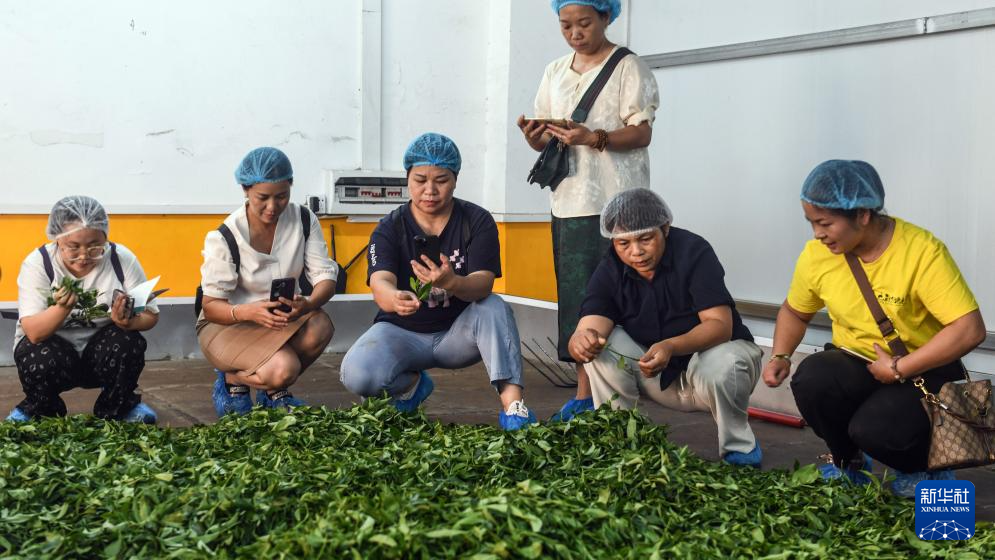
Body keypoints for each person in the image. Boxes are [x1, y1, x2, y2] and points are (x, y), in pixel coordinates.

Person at [762, 160, 986, 496]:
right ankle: (848, 463)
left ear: (863, 215)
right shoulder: (817, 255)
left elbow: (969, 329)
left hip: (924, 369)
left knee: (875, 429)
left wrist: (899, 368)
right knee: (813, 379)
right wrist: (780, 355)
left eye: (825, 223)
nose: (817, 234)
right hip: (858, 361)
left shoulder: (921, 252)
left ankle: (925, 469)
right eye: (812, 223)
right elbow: (795, 312)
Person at [517, 0, 659, 421]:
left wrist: (593, 137)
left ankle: (616, 391)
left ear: (606, 17)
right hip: (570, 202)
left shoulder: (629, 67)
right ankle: (584, 392)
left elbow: (641, 133)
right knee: (578, 297)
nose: (575, 33)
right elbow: (549, 138)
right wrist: (534, 137)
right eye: (566, 26)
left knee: (621, 295)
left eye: (584, 23)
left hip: (620, 205)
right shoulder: (555, 71)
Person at [339, 133, 536, 430]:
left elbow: (483, 282)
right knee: (357, 374)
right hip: (403, 332)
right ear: (407, 179)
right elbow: (380, 281)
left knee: (494, 307)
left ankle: (514, 408)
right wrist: (394, 298)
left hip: (458, 335)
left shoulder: (476, 220)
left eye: (441, 180)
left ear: (455, 179)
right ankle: (412, 385)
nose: (429, 190)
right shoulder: (389, 227)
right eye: (420, 180)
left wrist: (453, 282)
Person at [568, 189, 764, 466]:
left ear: (665, 228)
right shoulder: (610, 267)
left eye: (645, 239)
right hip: (656, 375)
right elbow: (591, 325)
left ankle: (739, 446)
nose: (636, 252)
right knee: (601, 346)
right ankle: (623, 442)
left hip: (708, 373)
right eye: (623, 243)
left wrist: (671, 346)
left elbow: (720, 326)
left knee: (725, 360)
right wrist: (580, 340)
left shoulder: (694, 252)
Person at [198, 147, 337, 416]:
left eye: (281, 196)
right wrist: (248, 312)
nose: (272, 207)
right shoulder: (225, 236)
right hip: (229, 323)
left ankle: (271, 392)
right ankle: (233, 380)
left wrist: (308, 304)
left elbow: (325, 278)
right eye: (262, 197)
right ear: (245, 190)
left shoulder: (304, 219)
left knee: (320, 326)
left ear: (291, 187)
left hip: (280, 318)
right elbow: (212, 306)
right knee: (284, 369)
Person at [6, 196, 159, 423]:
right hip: (55, 355)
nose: (84, 256)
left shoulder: (121, 259)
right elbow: (34, 332)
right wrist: (61, 309)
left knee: (129, 341)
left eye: (95, 246)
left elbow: (151, 315)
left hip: (101, 354)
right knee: (34, 352)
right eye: (73, 247)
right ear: (57, 239)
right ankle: (41, 409)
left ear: (105, 237)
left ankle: (119, 407)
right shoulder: (39, 263)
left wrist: (129, 322)